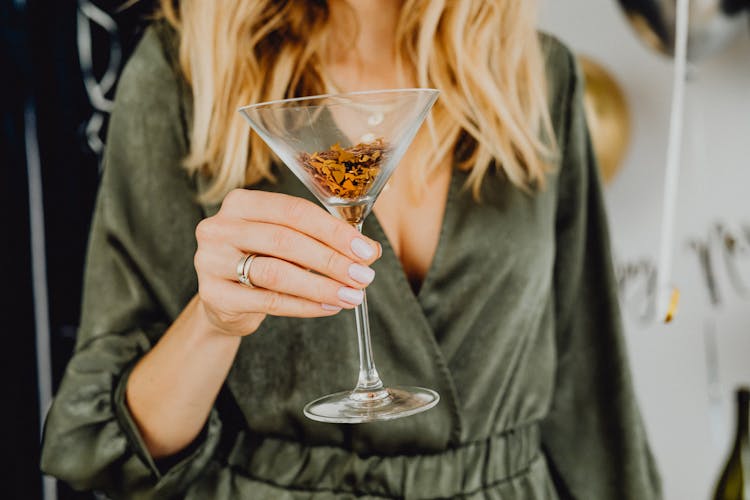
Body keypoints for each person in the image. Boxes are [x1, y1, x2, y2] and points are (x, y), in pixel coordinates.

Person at [41, 1, 662, 498]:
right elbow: (107, 445)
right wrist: (214, 320)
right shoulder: (184, 73)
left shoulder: (539, 72)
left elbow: (593, 380)